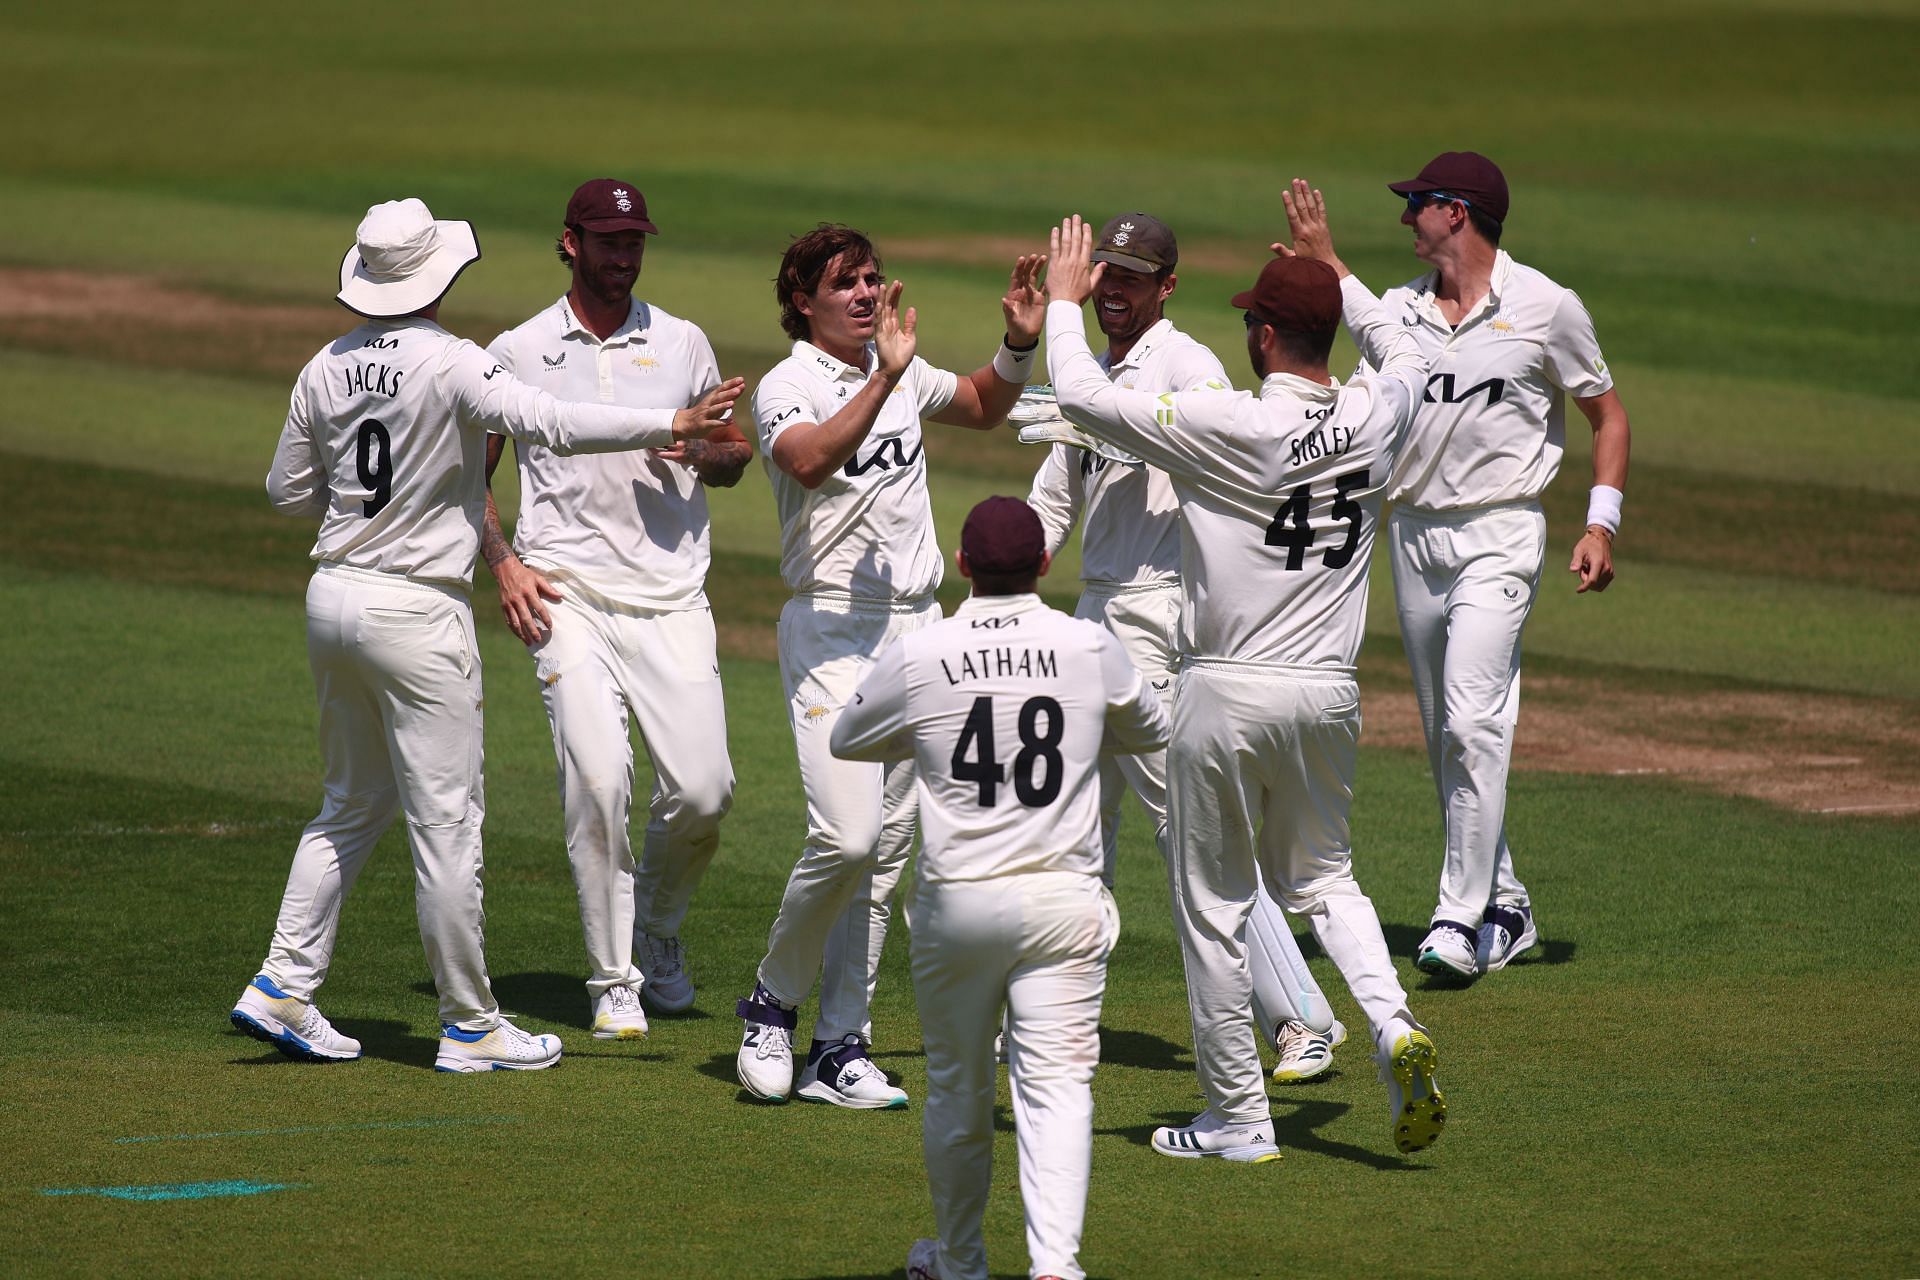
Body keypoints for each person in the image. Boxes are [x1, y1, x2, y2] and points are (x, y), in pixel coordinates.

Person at [233, 197, 740, 1072]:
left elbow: (287, 492)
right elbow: (555, 423)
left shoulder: (325, 365)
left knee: (350, 804)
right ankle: (470, 1026)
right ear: (436, 273)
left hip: (333, 597)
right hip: (416, 611)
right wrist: (671, 424)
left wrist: (366, 519)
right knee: (449, 824)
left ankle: (282, 982)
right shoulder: (460, 362)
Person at [1044, 211, 1446, 1158]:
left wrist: (1063, 306)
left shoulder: (1230, 422)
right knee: (1328, 881)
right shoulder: (1375, 411)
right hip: (1331, 691)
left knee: (1213, 907)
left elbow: (1078, 396)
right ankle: (1392, 1027)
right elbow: (1401, 349)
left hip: (1224, 687)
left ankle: (1238, 1118)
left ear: (1263, 336)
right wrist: (1335, 269)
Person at [1019, 212, 1348, 1084]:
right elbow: (1055, 498)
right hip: (1095, 617)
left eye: (1133, 277)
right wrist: (1010, 570)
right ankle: (1062, 1020)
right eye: (1106, 275)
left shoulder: (1191, 370)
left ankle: (1302, 1018)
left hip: (1162, 619)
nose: (1114, 290)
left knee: (1193, 835)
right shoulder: (1097, 370)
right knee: (1073, 828)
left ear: (1166, 286)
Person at [1288, 156, 1630, 980]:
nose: (1407, 220)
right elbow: (1362, 399)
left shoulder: (1547, 306)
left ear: (1459, 212)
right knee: (1451, 738)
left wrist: (1600, 525)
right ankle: (1507, 904)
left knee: (1475, 722)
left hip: (1502, 531)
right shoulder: (1400, 312)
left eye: (1417, 207)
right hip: (1413, 538)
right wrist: (1324, 266)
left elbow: (1606, 414)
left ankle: (1456, 919)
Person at [734, 224, 1045, 1109]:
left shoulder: (897, 368)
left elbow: (986, 404)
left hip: (917, 633)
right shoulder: (789, 383)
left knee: (888, 854)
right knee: (847, 836)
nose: (868, 295)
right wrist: (886, 377)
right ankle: (770, 1004)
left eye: (873, 280)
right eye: (846, 285)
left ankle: (840, 1044)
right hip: (832, 633)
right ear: (803, 301)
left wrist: (1018, 341)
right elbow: (806, 458)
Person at [832, 496, 1169, 1280]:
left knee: (957, 1091)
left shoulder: (924, 649)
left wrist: (926, 726)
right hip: (1063, 903)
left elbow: (846, 736)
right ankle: (1056, 1268)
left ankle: (959, 1263)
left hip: (959, 907)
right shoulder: (1089, 644)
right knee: (1057, 1090)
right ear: (1046, 563)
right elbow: (1152, 727)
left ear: (963, 566)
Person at [479, 178, 753, 1038]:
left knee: (705, 794)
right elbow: (465, 473)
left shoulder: (680, 341)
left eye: (635, 241)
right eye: (607, 241)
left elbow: (734, 451)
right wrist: (504, 563)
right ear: (570, 244)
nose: (624, 256)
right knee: (598, 779)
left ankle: (659, 932)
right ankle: (612, 980)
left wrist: (708, 453)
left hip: (672, 596)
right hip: (570, 593)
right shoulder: (517, 349)